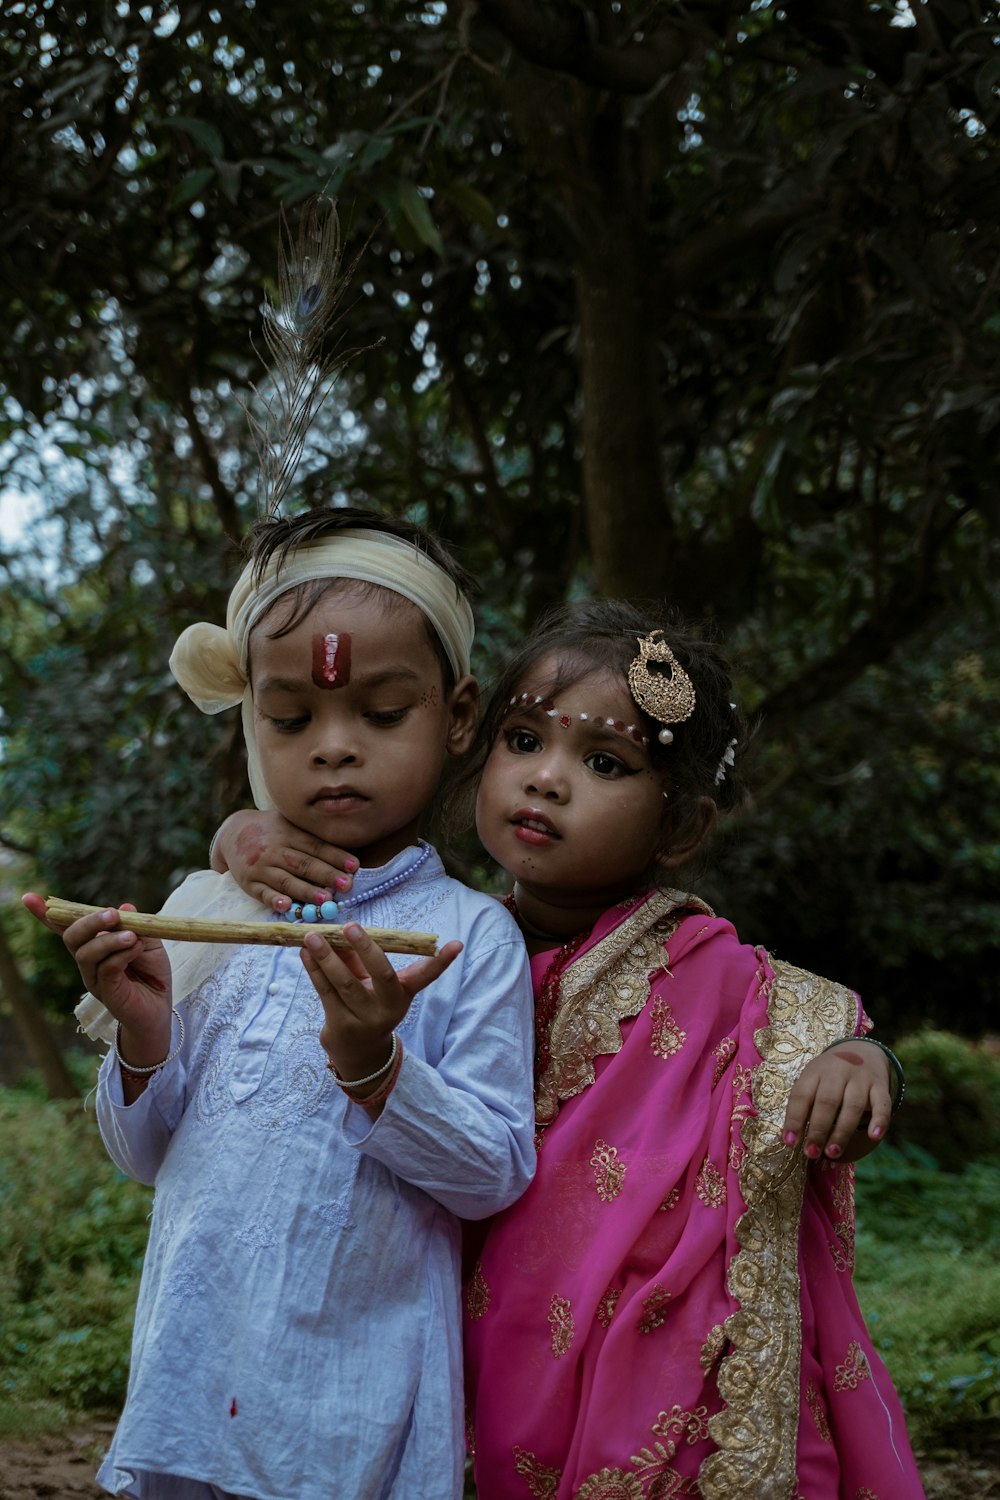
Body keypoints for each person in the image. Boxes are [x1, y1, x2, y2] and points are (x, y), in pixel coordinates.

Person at [213, 597, 926, 1497]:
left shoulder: (716, 980)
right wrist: (239, 834)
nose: (546, 780)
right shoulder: (442, 940)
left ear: (683, 828)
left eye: (602, 762)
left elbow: (822, 1049)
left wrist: (865, 1066)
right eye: (522, 742)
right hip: (478, 1355)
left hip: (675, 1387)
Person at [24, 505, 536, 1500]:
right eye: (292, 717)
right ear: (252, 717)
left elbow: (492, 1175)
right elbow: (145, 1157)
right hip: (189, 1388)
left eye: (381, 713)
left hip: (351, 1420)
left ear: (459, 715)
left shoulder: (468, 937)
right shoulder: (211, 911)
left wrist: (374, 1066)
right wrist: (141, 1034)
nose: (334, 748)